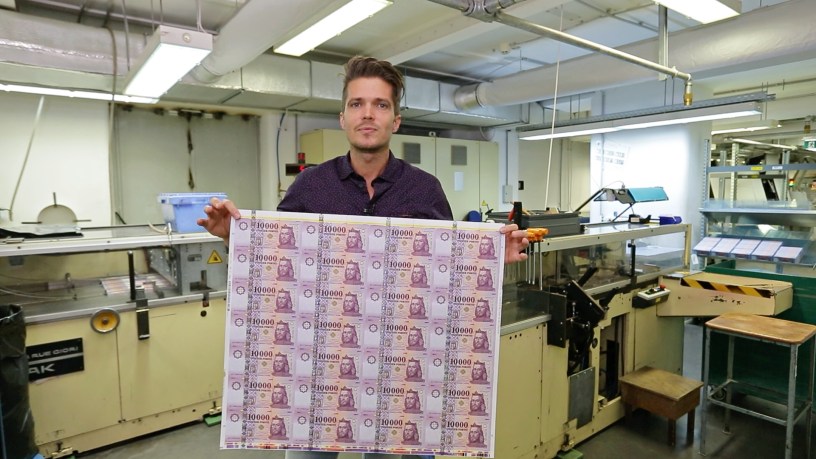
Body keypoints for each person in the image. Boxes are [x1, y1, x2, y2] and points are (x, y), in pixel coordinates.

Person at [198, 56, 529, 459]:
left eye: (380, 104)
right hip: (317, 368)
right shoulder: (310, 186)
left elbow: (447, 274)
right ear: (343, 118)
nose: (368, 114)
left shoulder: (425, 190)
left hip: (399, 369)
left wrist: (490, 257)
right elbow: (275, 264)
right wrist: (234, 236)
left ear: (396, 120)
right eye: (357, 104)